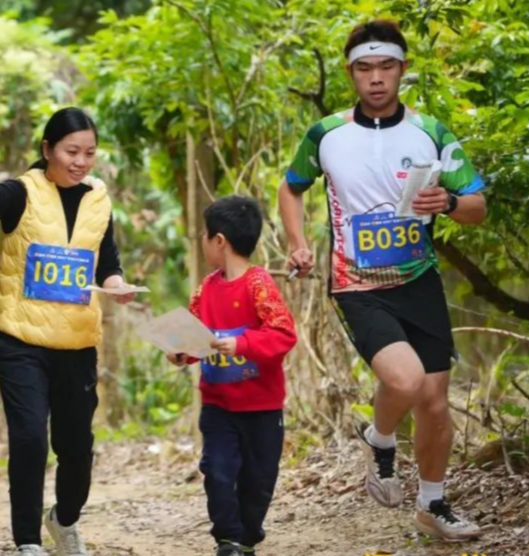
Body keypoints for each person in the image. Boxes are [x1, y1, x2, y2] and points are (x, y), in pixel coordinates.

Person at [278, 19, 487, 541]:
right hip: (357, 283)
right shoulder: (326, 134)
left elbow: (477, 206)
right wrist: (297, 242)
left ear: (402, 69)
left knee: (435, 402)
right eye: (365, 68)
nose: (376, 78)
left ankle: (432, 505)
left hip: (419, 280)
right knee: (407, 381)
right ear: (351, 73)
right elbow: (291, 186)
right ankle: (381, 436)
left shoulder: (431, 132)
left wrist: (449, 201)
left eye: (386, 66)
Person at [0, 107, 135, 556]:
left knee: (76, 447)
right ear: (47, 150)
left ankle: (64, 520)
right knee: (29, 438)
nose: (80, 161)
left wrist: (117, 285)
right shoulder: (24, 192)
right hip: (20, 340)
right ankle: (27, 540)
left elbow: (107, 261)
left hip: (77, 343)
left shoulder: (98, 200)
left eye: (89, 153)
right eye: (71, 151)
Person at [168, 196, 297, 556]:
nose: (203, 240)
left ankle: (247, 539)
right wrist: (181, 353)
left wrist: (241, 343)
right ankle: (227, 539)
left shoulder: (260, 285)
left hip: (262, 408)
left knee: (259, 480)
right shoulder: (206, 289)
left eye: (205, 234)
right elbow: (195, 337)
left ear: (219, 240)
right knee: (218, 470)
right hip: (218, 405)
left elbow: (283, 334)